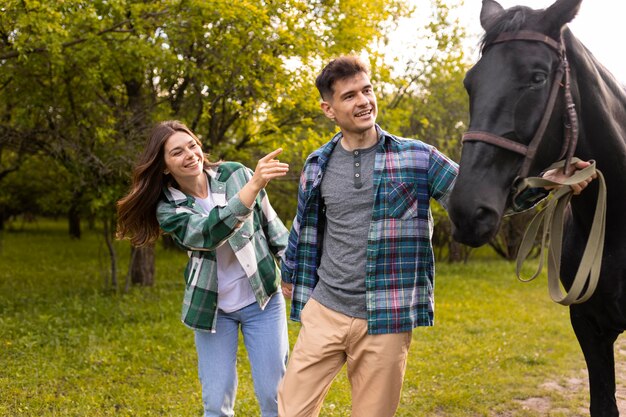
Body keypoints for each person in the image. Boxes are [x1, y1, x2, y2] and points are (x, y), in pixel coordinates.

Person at [277, 55, 596, 417]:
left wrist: (548, 183)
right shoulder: (317, 163)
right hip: (325, 310)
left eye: (367, 90)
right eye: (349, 96)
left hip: (387, 318)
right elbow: (304, 226)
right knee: (291, 410)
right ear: (329, 109)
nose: (364, 101)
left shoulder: (418, 157)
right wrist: (290, 273)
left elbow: (480, 200)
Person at [116, 120, 290, 417]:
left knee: (275, 396)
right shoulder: (168, 209)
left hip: (262, 299)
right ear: (164, 167)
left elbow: (271, 226)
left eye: (192, 145)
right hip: (212, 309)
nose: (190, 155)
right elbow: (208, 233)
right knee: (215, 404)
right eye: (177, 152)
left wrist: (291, 272)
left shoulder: (236, 174)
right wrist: (252, 187)